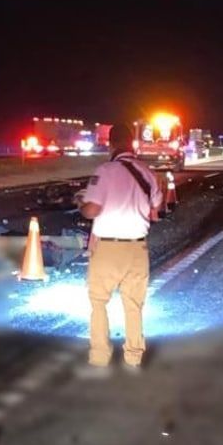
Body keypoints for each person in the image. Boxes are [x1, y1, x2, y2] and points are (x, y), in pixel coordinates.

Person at [76, 122, 163, 371]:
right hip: (137, 249)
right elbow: (155, 209)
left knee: (99, 303)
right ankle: (134, 357)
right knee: (134, 306)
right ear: (131, 143)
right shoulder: (147, 172)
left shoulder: (105, 170)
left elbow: (92, 210)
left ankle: (100, 357)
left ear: (110, 144)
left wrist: (82, 202)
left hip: (108, 249)